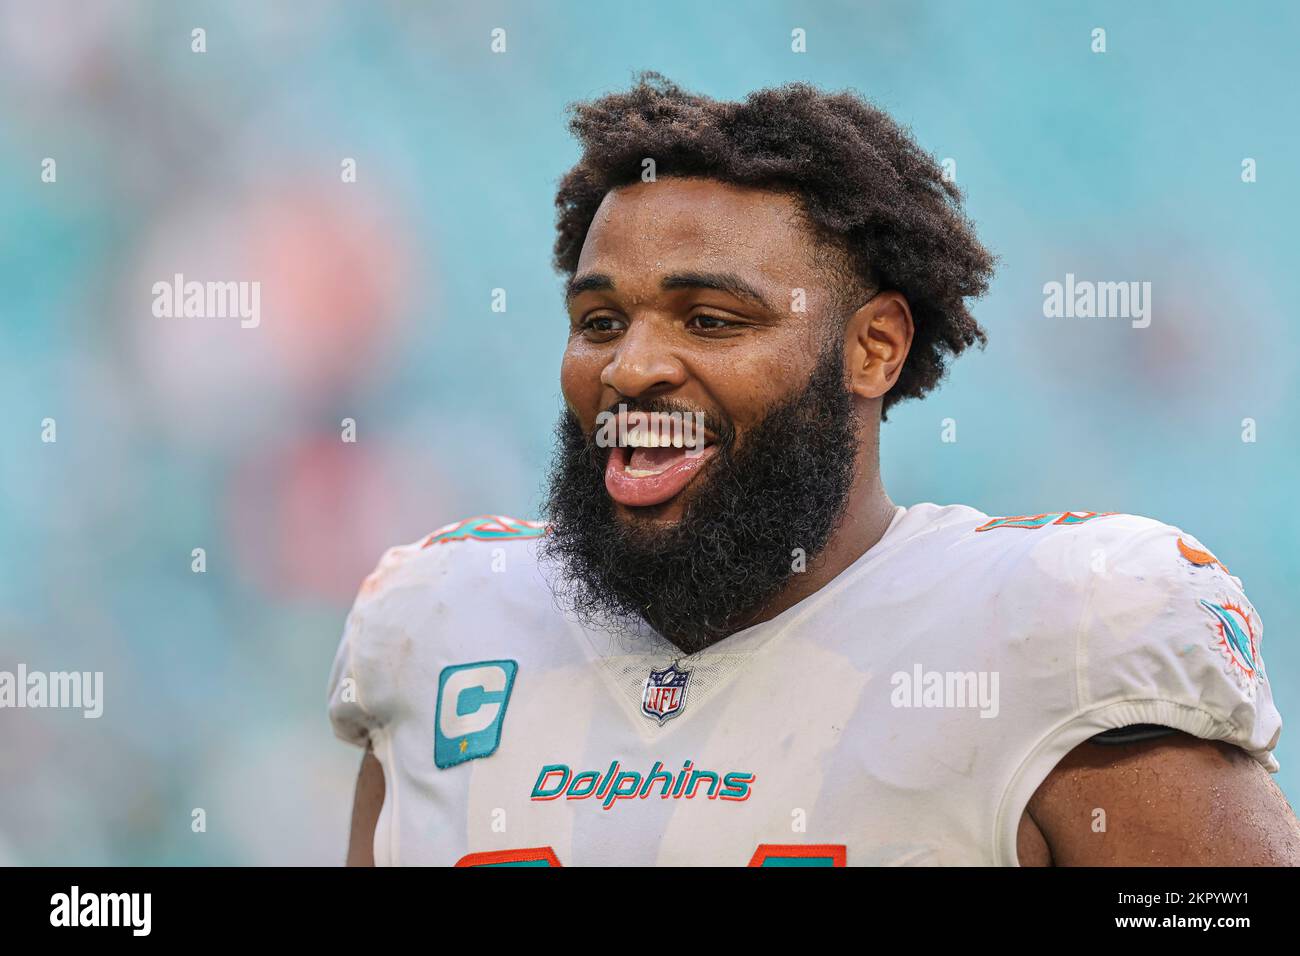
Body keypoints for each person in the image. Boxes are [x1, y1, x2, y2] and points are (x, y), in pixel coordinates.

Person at [328, 73, 1298, 866]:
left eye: (710, 319)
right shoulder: (435, 623)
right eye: (599, 321)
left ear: (872, 347)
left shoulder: (1063, 631)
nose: (629, 367)